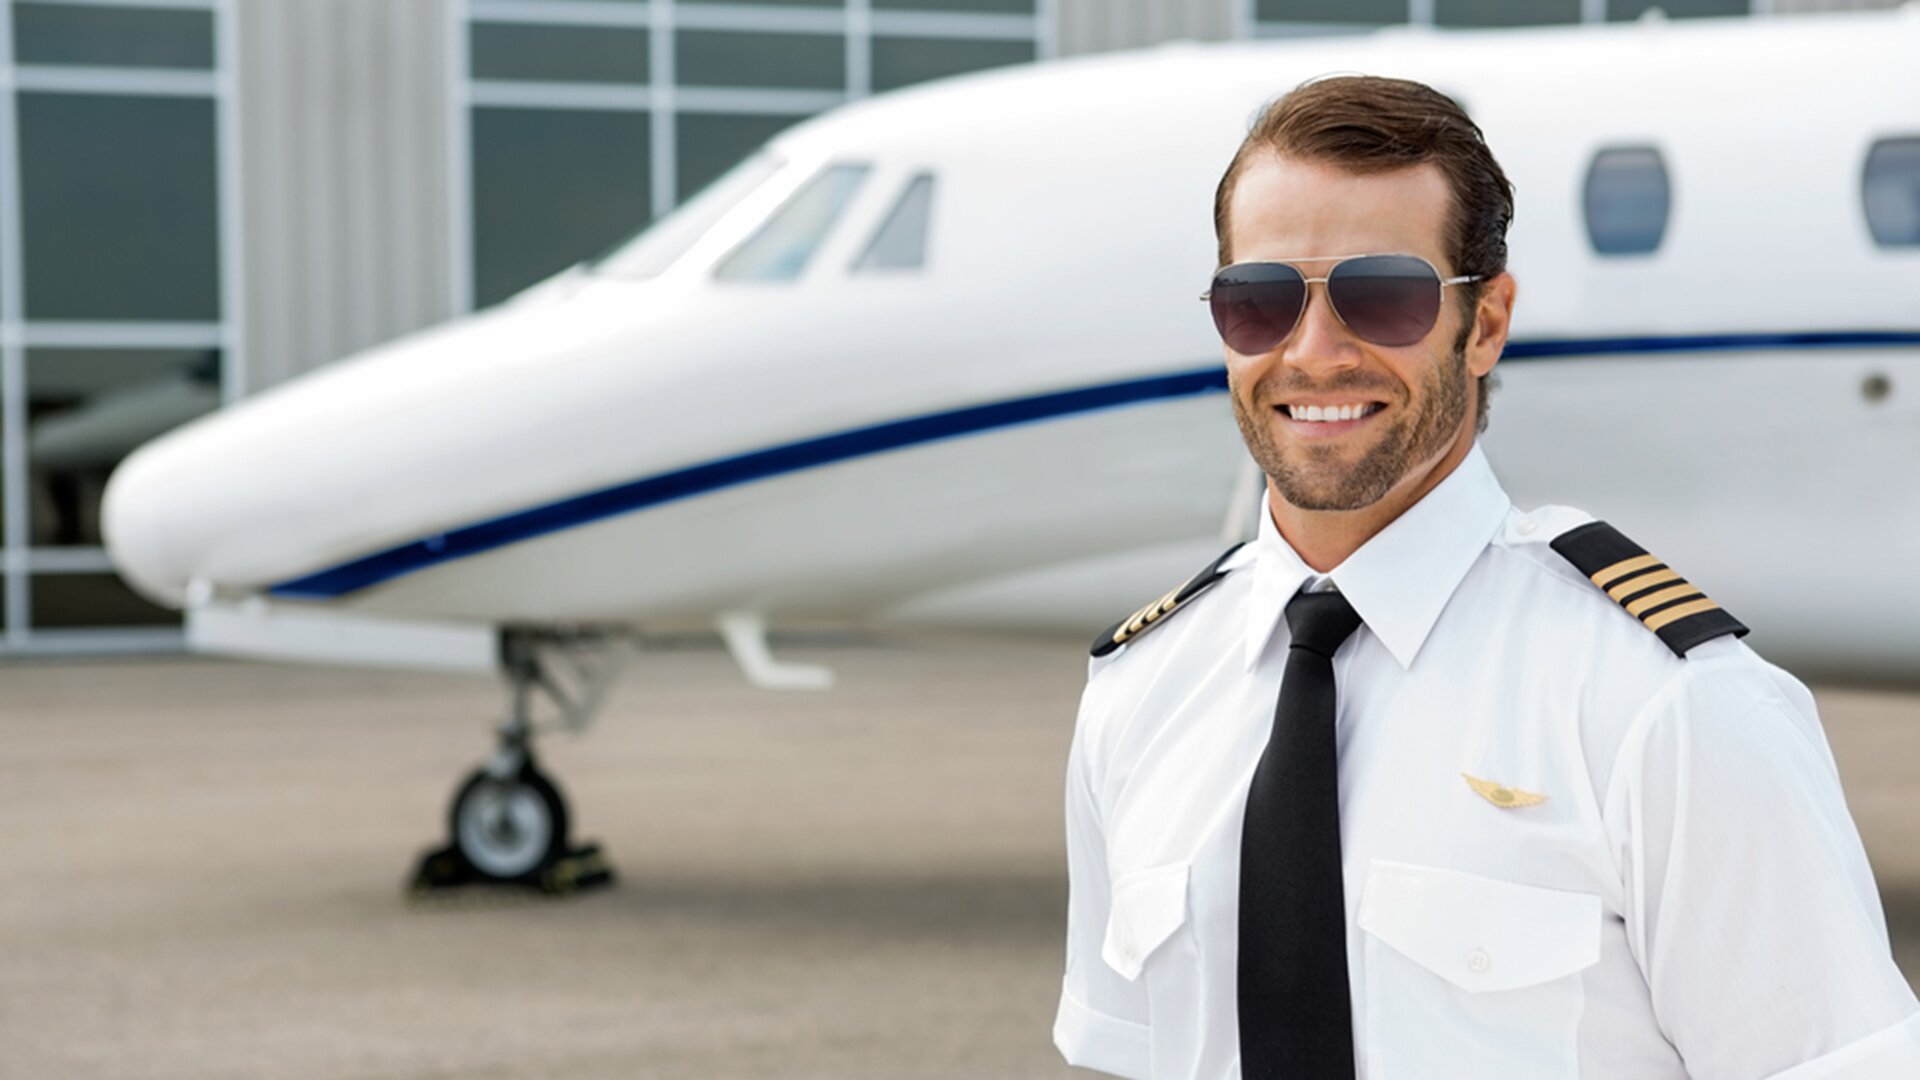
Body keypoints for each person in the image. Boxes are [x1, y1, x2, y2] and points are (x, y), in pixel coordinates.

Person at [1053, 75, 1920, 1080]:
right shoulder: (1138, 698)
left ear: (1489, 322)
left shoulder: (1666, 706)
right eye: (1262, 300)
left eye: (1384, 295)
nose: (1315, 351)